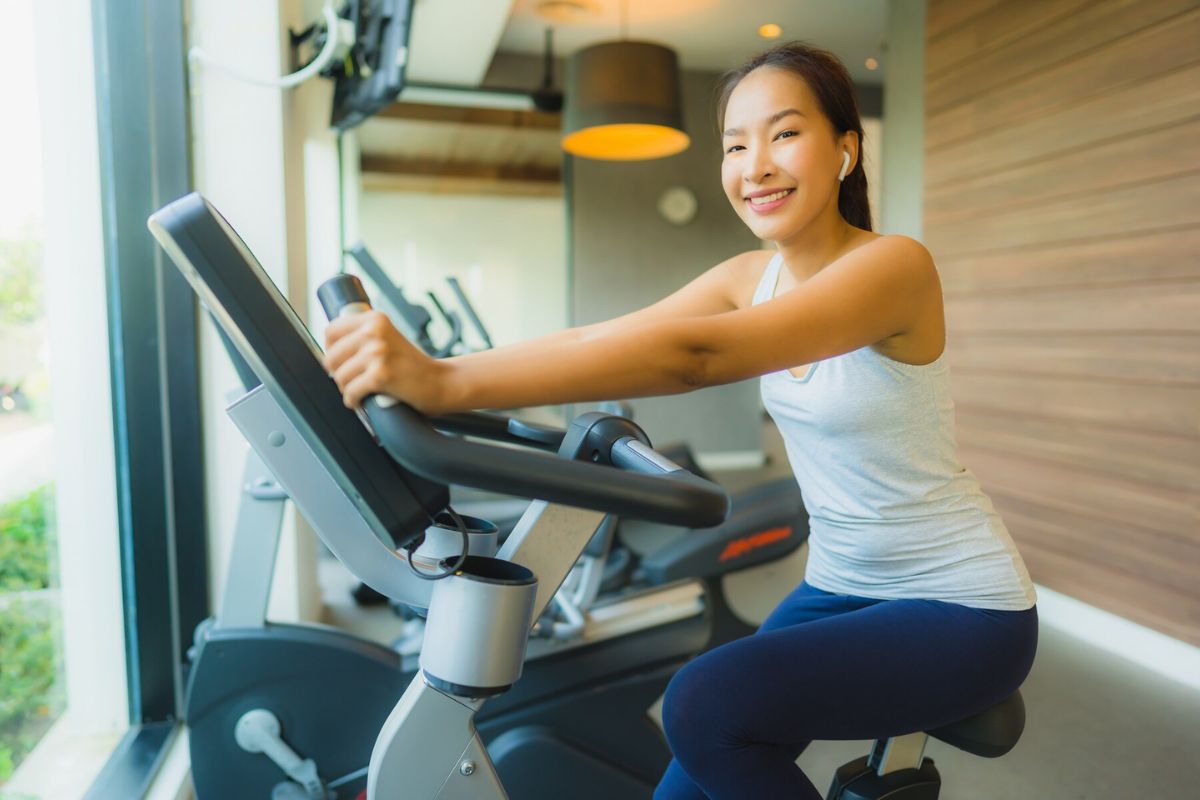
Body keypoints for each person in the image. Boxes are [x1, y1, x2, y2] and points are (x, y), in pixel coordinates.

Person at [324, 41, 1038, 800]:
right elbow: (602, 337)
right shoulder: (746, 278)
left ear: (845, 151)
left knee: (705, 705)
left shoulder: (895, 266)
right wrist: (437, 375)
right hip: (840, 584)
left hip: (961, 604)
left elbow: (694, 356)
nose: (754, 165)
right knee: (687, 785)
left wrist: (441, 382)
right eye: (735, 145)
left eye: (785, 134)